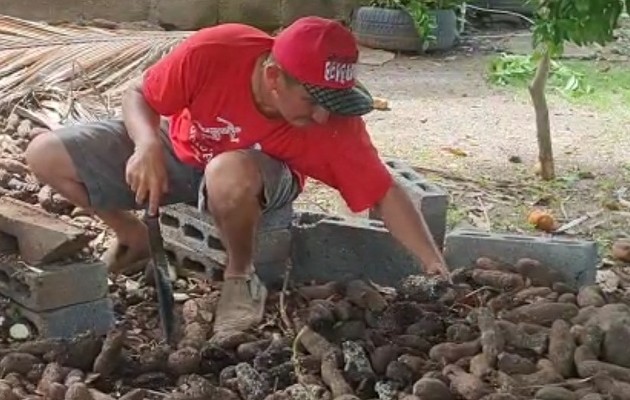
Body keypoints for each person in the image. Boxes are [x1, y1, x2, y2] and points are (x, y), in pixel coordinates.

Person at [24, 16, 450, 334]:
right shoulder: (215, 52)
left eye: (334, 102)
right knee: (45, 154)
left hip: (255, 176)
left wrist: (434, 265)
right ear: (273, 78)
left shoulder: (332, 123)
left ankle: (240, 278)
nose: (323, 115)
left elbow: (383, 192)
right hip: (180, 148)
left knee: (228, 171)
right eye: (312, 99)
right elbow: (139, 94)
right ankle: (132, 237)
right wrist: (146, 145)